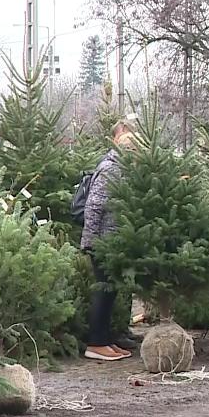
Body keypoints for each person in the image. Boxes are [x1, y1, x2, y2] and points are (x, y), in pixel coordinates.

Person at [80, 119, 138, 361]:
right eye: (133, 148)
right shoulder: (110, 168)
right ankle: (96, 343)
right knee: (104, 292)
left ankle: (105, 340)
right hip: (102, 242)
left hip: (113, 241)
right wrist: (91, 241)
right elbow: (93, 206)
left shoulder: (122, 167)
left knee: (111, 291)